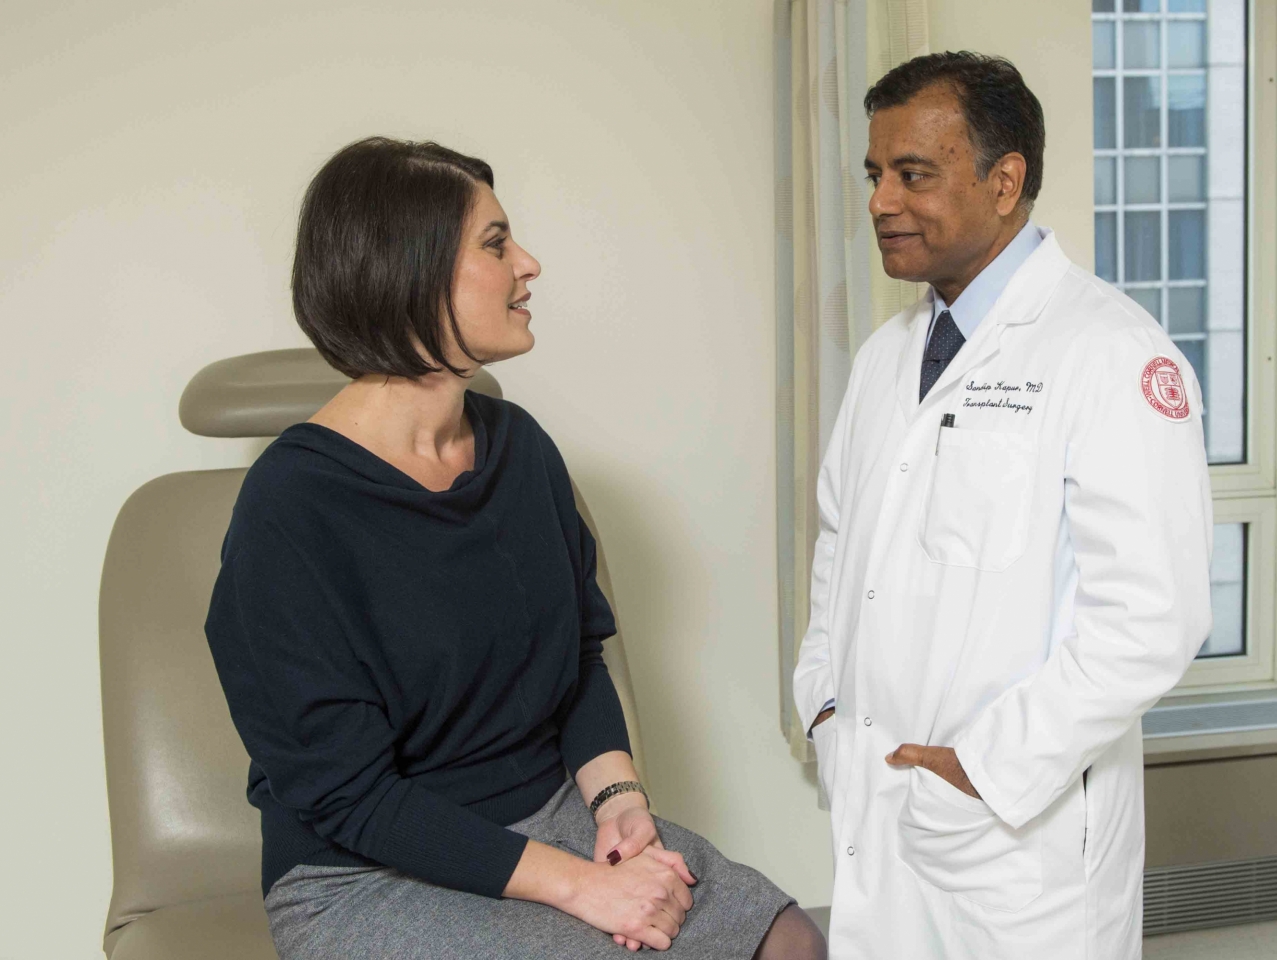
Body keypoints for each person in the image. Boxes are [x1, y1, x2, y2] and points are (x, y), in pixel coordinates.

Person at [205, 137, 826, 960]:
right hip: (364, 871)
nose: (528, 265)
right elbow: (350, 797)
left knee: (786, 940)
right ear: (408, 271)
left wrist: (618, 802)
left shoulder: (521, 450)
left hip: (551, 816)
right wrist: (586, 889)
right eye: (496, 245)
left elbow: (575, 656)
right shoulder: (290, 509)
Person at [792, 52, 1213, 960]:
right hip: (883, 801)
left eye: (913, 174)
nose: (879, 202)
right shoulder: (884, 360)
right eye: (874, 175)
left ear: (1005, 179)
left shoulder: (1111, 354)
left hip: (1017, 844)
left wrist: (983, 768)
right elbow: (841, 550)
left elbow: (1150, 619)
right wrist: (825, 705)